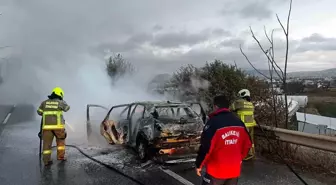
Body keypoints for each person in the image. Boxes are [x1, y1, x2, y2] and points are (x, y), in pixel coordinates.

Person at [195, 95, 252, 185]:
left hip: (216, 172)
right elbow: (248, 144)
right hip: (234, 171)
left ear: (215, 106)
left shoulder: (213, 123)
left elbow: (206, 147)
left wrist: (199, 165)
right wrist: (239, 158)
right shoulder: (239, 122)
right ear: (228, 107)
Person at [37, 87, 70, 166]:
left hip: (47, 128)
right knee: (61, 142)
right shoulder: (60, 102)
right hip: (58, 127)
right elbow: (67, 108)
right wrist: (62, 102)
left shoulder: (44, 102)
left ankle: (46, 161)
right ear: (60, 94)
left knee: (46, 145)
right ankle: (61, 157)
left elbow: (39, 112)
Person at [229, 89, 257, 160]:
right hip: (251, 125)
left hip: (243, 125)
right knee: (251, 140)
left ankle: (243, 155)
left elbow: (230, 109)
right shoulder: (250, 104)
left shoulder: (239, 102)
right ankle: (251, 153)